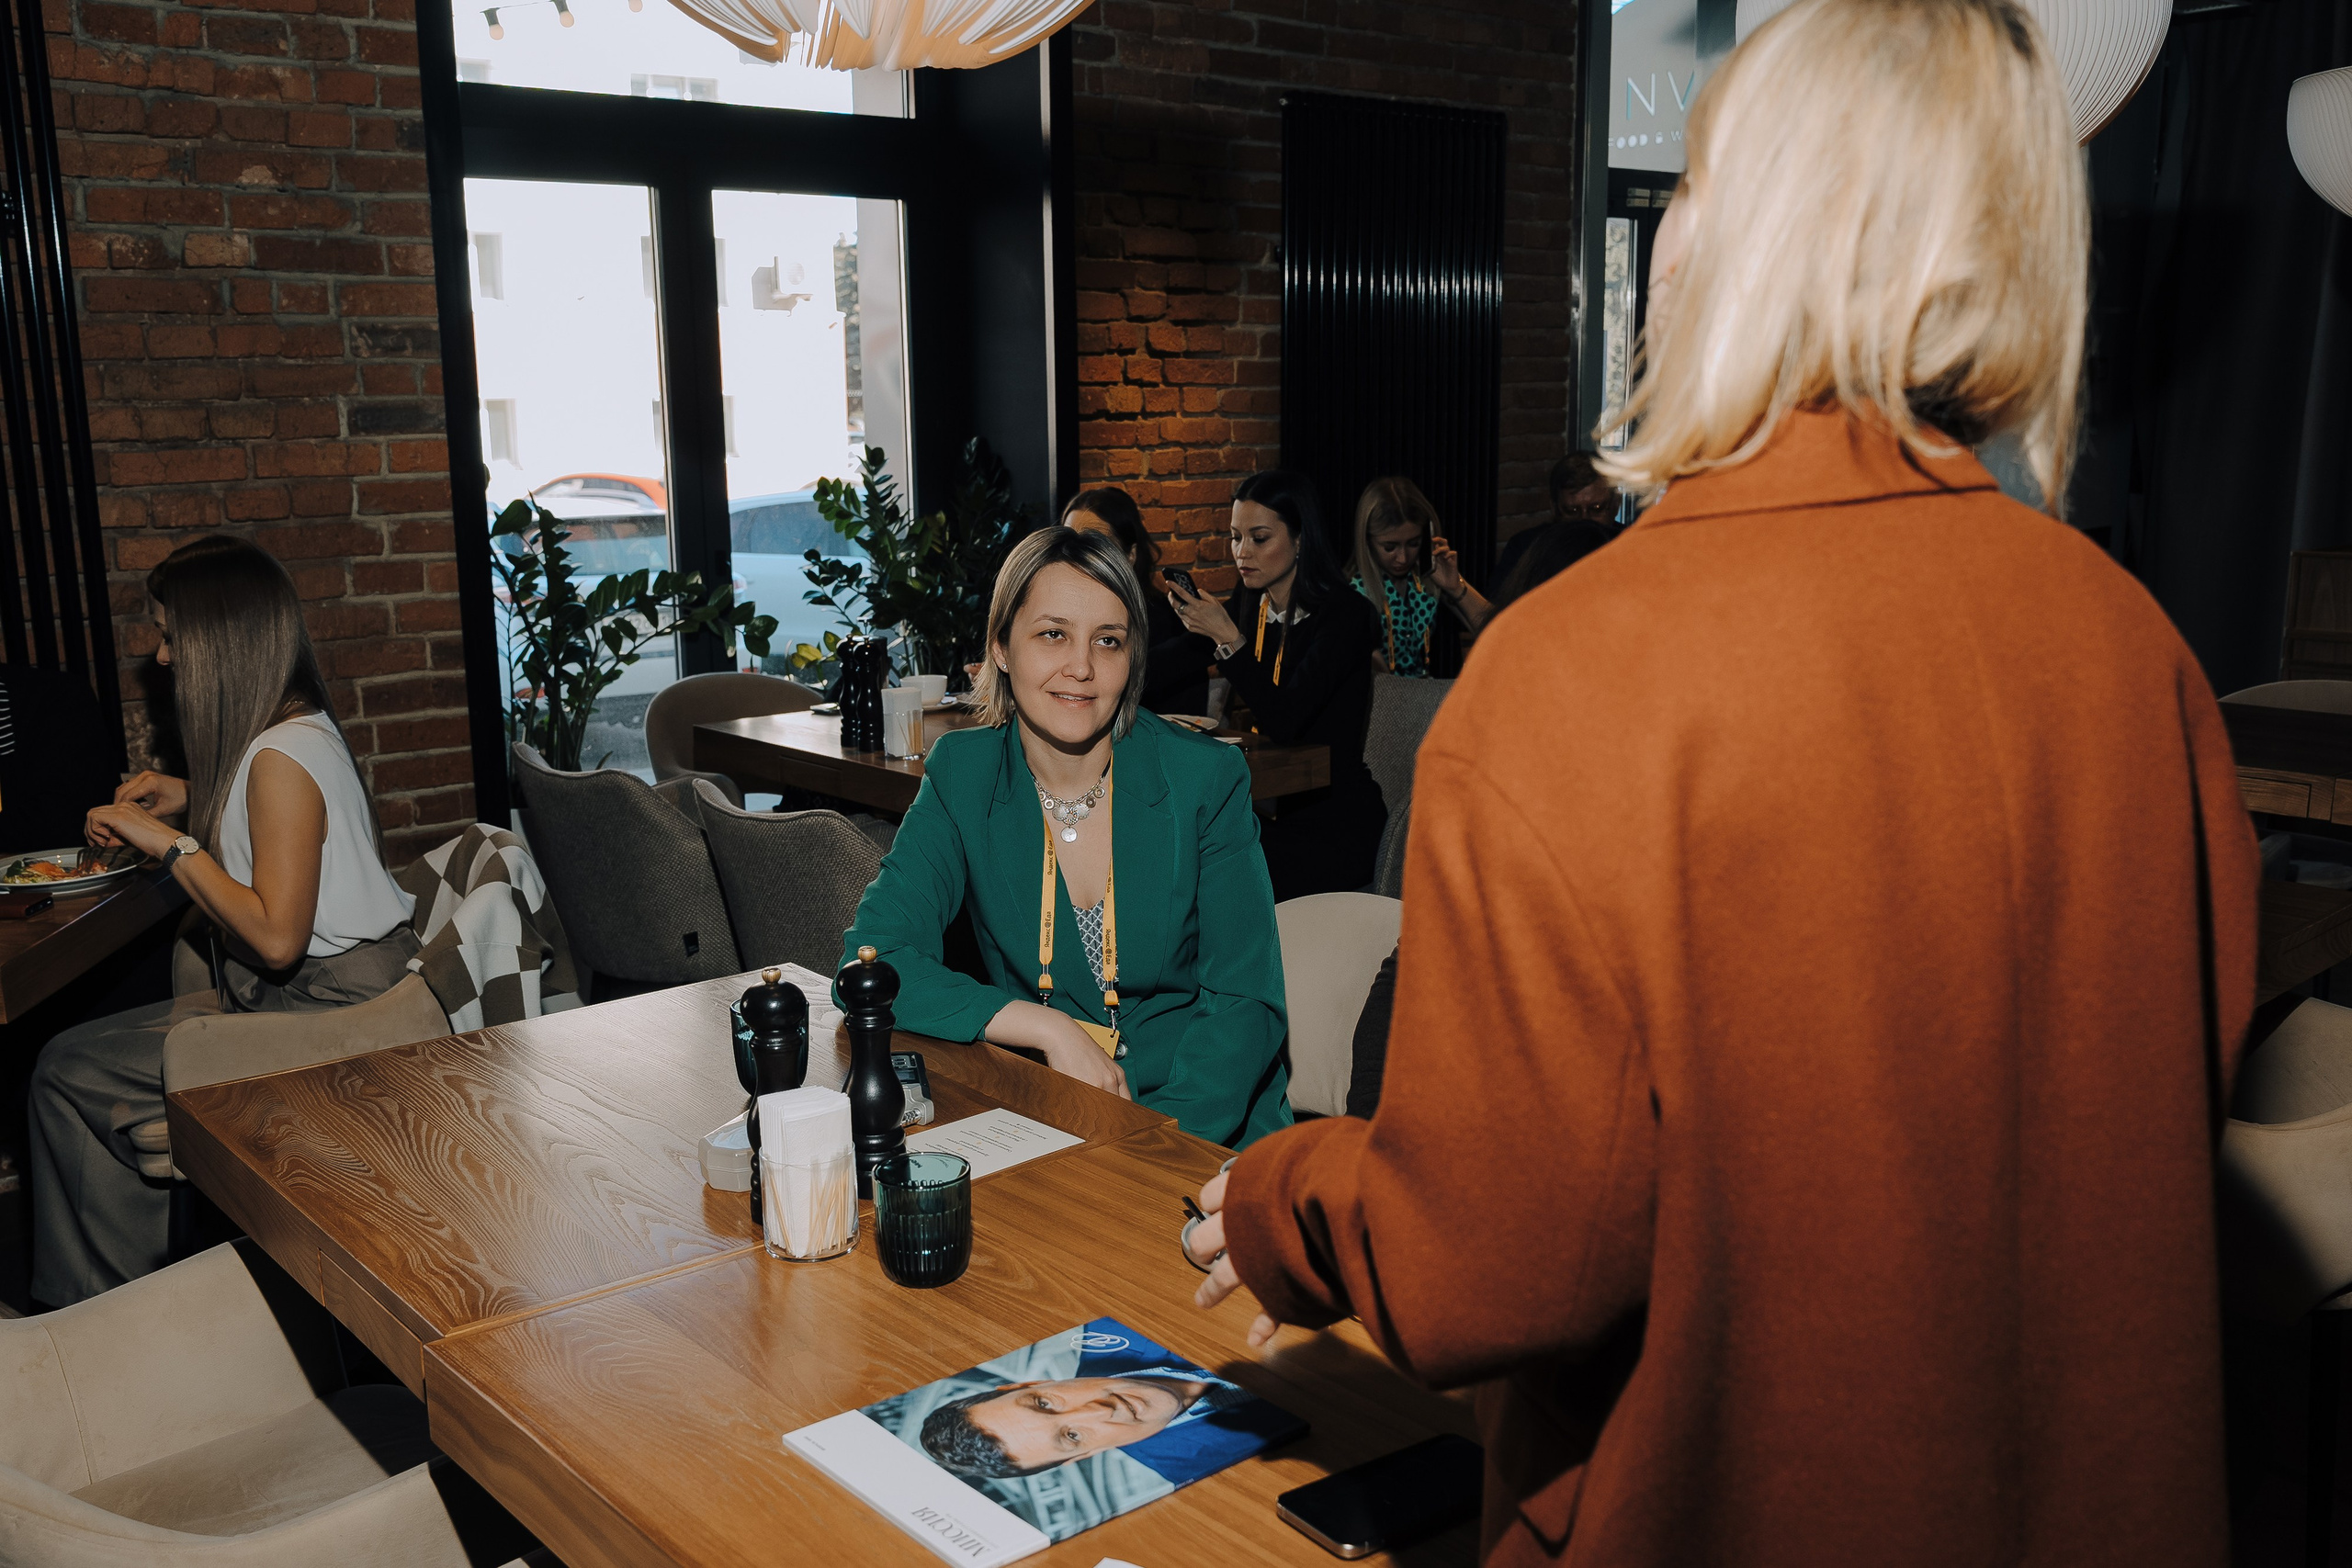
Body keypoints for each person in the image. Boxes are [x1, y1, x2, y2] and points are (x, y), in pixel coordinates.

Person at [1184, 2, 2257, 1564]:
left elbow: (1499, 1257)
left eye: (1685, 179)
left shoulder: (1578, 670)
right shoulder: (2131, 642)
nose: (1663, 226)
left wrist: (1285, 1202)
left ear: (1720, 248)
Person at [31, 536, 419, 1306]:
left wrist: (171, 843)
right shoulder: (291, 729)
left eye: (172, 635)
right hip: (328, 991)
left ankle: (103, 1311)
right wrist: (192, 792)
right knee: (74, 1060)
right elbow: (279, 823)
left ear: (219, 644)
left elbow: (277, 938)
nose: (164, 656)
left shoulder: (278, 758)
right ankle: (138, 1299)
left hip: (333, 1013)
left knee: (64, 1073)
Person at [839, 525, 1290, 1147]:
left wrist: (1150, 1142)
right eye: (1053, 634)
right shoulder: (962, 775)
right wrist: (1047, 1029)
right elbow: (872, 960)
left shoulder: (1204, 779)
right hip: (1050, 1121)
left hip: (1204, 1128)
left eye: (1108, 641)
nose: (1081, 667)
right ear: (1001, 646)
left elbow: (1245, 1005)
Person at [1162, 472, 1385, 899]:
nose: (1242, 553)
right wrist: (1106, 659)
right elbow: (1178, 658)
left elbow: (1286, 718)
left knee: (1206, 869)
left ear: (1301, 539)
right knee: (1184, 851)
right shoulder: (1253, 603)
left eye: (1259, 538)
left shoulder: (1346, 616)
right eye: (1235, 537)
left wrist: (1229, 640)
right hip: (1278, 812)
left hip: (1337, 824)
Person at [1061, 486, 1209, 716]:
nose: (1080, 554)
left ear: (1130, 555)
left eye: (1097, 543)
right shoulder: (1057, 614)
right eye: (1069, 540)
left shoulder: (1165, 623)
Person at [1346, 477, 1494, 677]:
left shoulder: (1427, 581)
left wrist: (1455, 586)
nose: (1403, 557)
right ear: (1367, 541)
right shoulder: (1352, 592)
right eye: (1390, 547)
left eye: (1413, 543)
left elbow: (1497, 629)